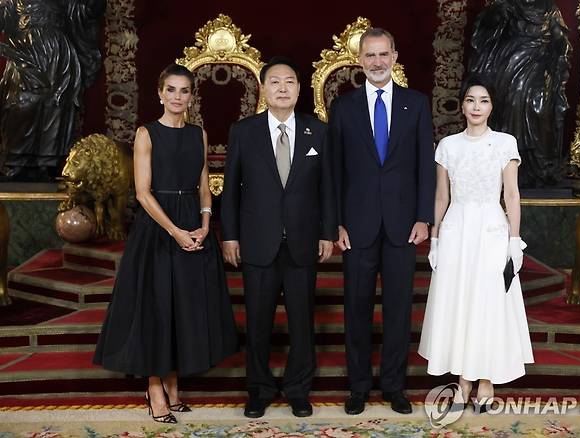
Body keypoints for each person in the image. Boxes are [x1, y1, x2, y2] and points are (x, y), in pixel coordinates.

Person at [94, 64, 238, 423]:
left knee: (183, 307)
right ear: (160, 93)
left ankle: (173, 381)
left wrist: (205, 224)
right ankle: (155, 386)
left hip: (193, 221)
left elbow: (205, 186)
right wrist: (175, 231)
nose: (177, 97)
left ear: (192, 96)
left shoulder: (198, 134)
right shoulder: (147, 133)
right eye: (171, 90)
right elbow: (142, 193)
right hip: (158, 227)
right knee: (156, 308)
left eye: (184, 90)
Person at [220, 56, 337, 419]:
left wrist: (328, 233)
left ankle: (299, 390)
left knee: (302, 323)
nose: (283, 87)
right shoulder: (244, 131)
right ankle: (259, 389)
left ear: (300, 89)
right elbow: (232, 190)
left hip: (303, 242)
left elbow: (327, 188)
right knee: (257, 323)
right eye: (275, 82)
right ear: (263, 89)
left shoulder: (317, 130)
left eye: (290, 81)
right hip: (258, 242)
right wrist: (230, 236)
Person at [328, 28, 435, 415]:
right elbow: (333, 171)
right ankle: (358, 387)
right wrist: (335, 222)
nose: (377, 62)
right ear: (360, 61)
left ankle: (394, 386)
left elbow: (426, 165)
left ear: (394, 55)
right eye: (369, 56)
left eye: (383, 54)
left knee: (398, 309)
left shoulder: (416, 104)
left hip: (403, 226)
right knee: (356, 308)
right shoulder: (342, 107)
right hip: (355, 228)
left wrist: (425, 216)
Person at [418, 75, 534, 412]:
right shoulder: (448, 146)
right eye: (471, 100)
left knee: (488, 300)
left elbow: (511, 195)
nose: (476, 107)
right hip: (456, 229)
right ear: (463, 105)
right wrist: (435, 238)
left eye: (483, 101)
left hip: (491, 230)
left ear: (491, 106)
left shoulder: (504, 143)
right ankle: (463, 380)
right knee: (460, 301)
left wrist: (514, 241)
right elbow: (441, 196)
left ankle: (485, 378)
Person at [0, 0, 106, 181]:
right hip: (25, 50)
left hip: (56, 51)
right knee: (21, 103)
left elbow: (85, 12)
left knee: (54, 104)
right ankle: (14, 163)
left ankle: (44, 164)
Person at [468, 0, 571, 187]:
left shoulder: (549, 8)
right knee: (513, 97)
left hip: (540, 64)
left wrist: (561, 53)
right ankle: (509, 163)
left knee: (539, 106)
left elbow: (560, 40)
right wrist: (496, 14)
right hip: (510, 62)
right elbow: (487, 32)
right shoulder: (508, 6)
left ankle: (537, 166)